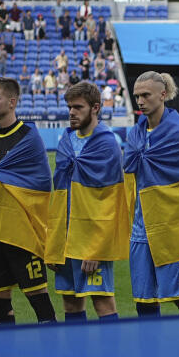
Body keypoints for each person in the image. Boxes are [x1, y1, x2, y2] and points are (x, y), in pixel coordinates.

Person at [0, 77, 59, 326]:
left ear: (11, 102)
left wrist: (0, 178)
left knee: (41, 304)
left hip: (21, 234)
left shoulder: (28, 136)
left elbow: (41, 182)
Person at [122, 71, 179, 319]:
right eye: (137, 96)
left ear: (163, 94)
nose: (140, 101)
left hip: (172, 228)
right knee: (144, 302)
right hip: (140, 229)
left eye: (145, 95)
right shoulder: (135, 133)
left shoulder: (178, 133)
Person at [49, 82, 126, 321]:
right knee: (70, 303)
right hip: (66, 238)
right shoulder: (66, 141)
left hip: (92, 240)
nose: (72, 112)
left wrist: (97, 248)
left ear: (95, 108)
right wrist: (55, 244)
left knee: (102, 301)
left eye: (78, 107)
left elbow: (112, 200)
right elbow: (59, 195)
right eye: (69, 107)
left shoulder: (107, 143)